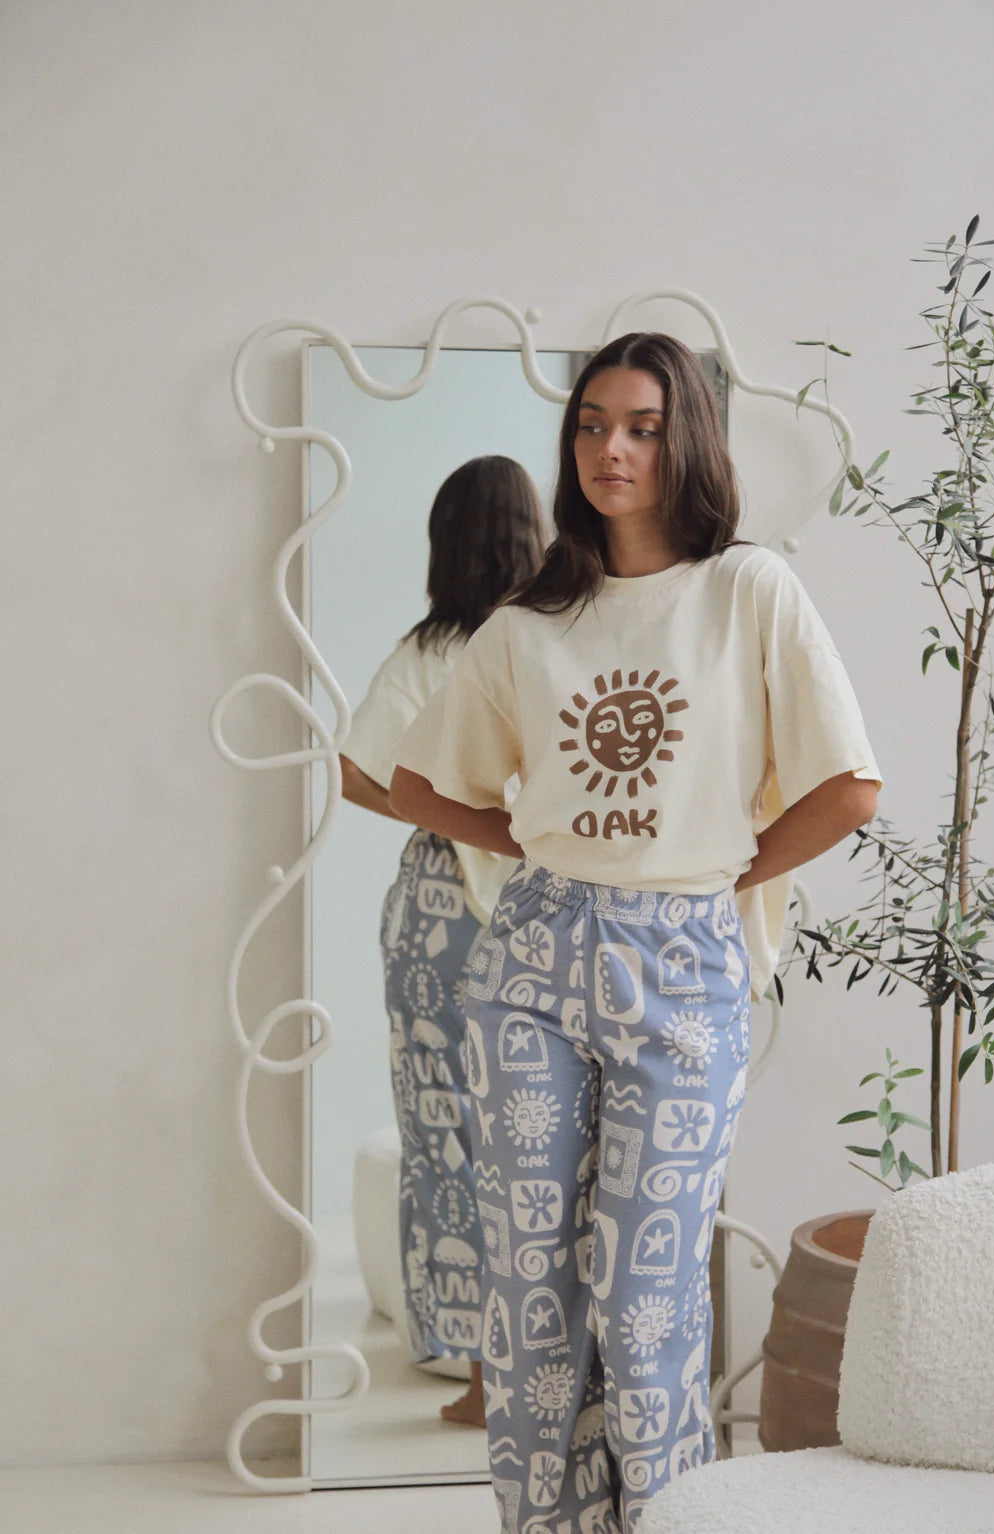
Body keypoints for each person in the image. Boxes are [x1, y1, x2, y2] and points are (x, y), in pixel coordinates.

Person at [390, 334, 881, 1532]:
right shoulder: (527, 622)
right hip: (531, 955)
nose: (610, 448)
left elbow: (848, 787)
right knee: (531, 1295)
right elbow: (416, 784)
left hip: (683, 955)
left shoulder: (746, 590)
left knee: (645, 1295)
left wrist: (719, 872)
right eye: (591, 424)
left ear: (684, 442)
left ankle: (664, 1520)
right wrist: (546, 849)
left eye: (642, 428)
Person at [340, 454, 544, 1427]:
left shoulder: (428, 650)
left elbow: (354, 772)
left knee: (441, 1133)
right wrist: (506, 830)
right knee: (535, 1134)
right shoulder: (549, 640)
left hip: (434, 913)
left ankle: (470, 1365)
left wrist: (449, 820)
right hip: (538, 904)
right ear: (532, 532)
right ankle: (537, 1358)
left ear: (443, 542)